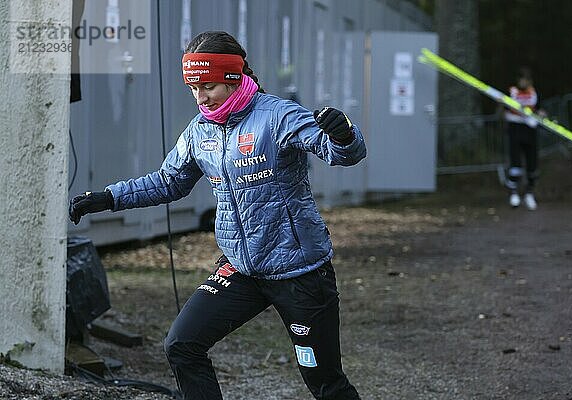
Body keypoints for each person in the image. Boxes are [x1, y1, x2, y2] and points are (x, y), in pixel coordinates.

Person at [69, 31, 366, 400]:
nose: (200, 97)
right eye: (193, 87)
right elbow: (168, 182)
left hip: (299, 272)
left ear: (233, 77)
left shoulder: (277, 116)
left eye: (208, 86)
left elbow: (341, 153)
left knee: (326, 383)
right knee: (181, 344)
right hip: (242, 269)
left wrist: (344, 135)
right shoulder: (200, 130)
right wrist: (108, 198)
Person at [504, 67, 545, 210]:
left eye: (527, 80)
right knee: (515, 165)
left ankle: (529, 193)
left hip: (530, 132)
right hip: (515, 132)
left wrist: (541, 114)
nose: (524, 82)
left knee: (532, 165)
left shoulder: (534, 93)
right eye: (522, 79)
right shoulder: (511, 92)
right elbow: (502, 109)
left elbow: (540, 109)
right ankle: (513, 193)